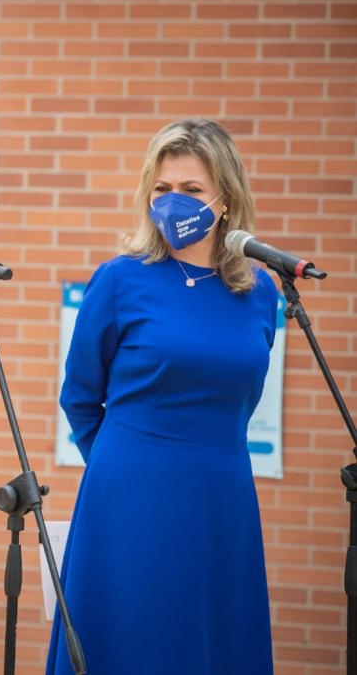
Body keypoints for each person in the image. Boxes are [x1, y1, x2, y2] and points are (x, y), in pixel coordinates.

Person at [46, 118, 277, 674]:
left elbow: (242, 397)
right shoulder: (121, 280)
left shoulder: (261, 290)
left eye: (192, 190)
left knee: (212, 639)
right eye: (162, 189)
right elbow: (80, 396)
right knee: (130, 638)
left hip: (222, 491)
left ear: (226, 199)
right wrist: (124, 466)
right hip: (130, 492)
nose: (174, 203)